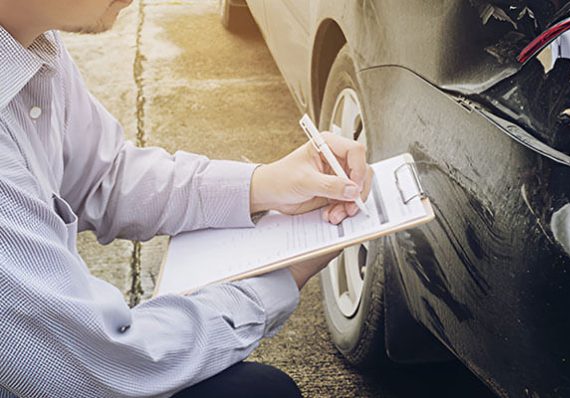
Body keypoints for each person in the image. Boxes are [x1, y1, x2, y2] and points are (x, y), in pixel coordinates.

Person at [0, 0, 372, 397]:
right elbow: (103, 365)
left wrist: (264, 185)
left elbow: (105, 176)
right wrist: (278, 279)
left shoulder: (32, 44)